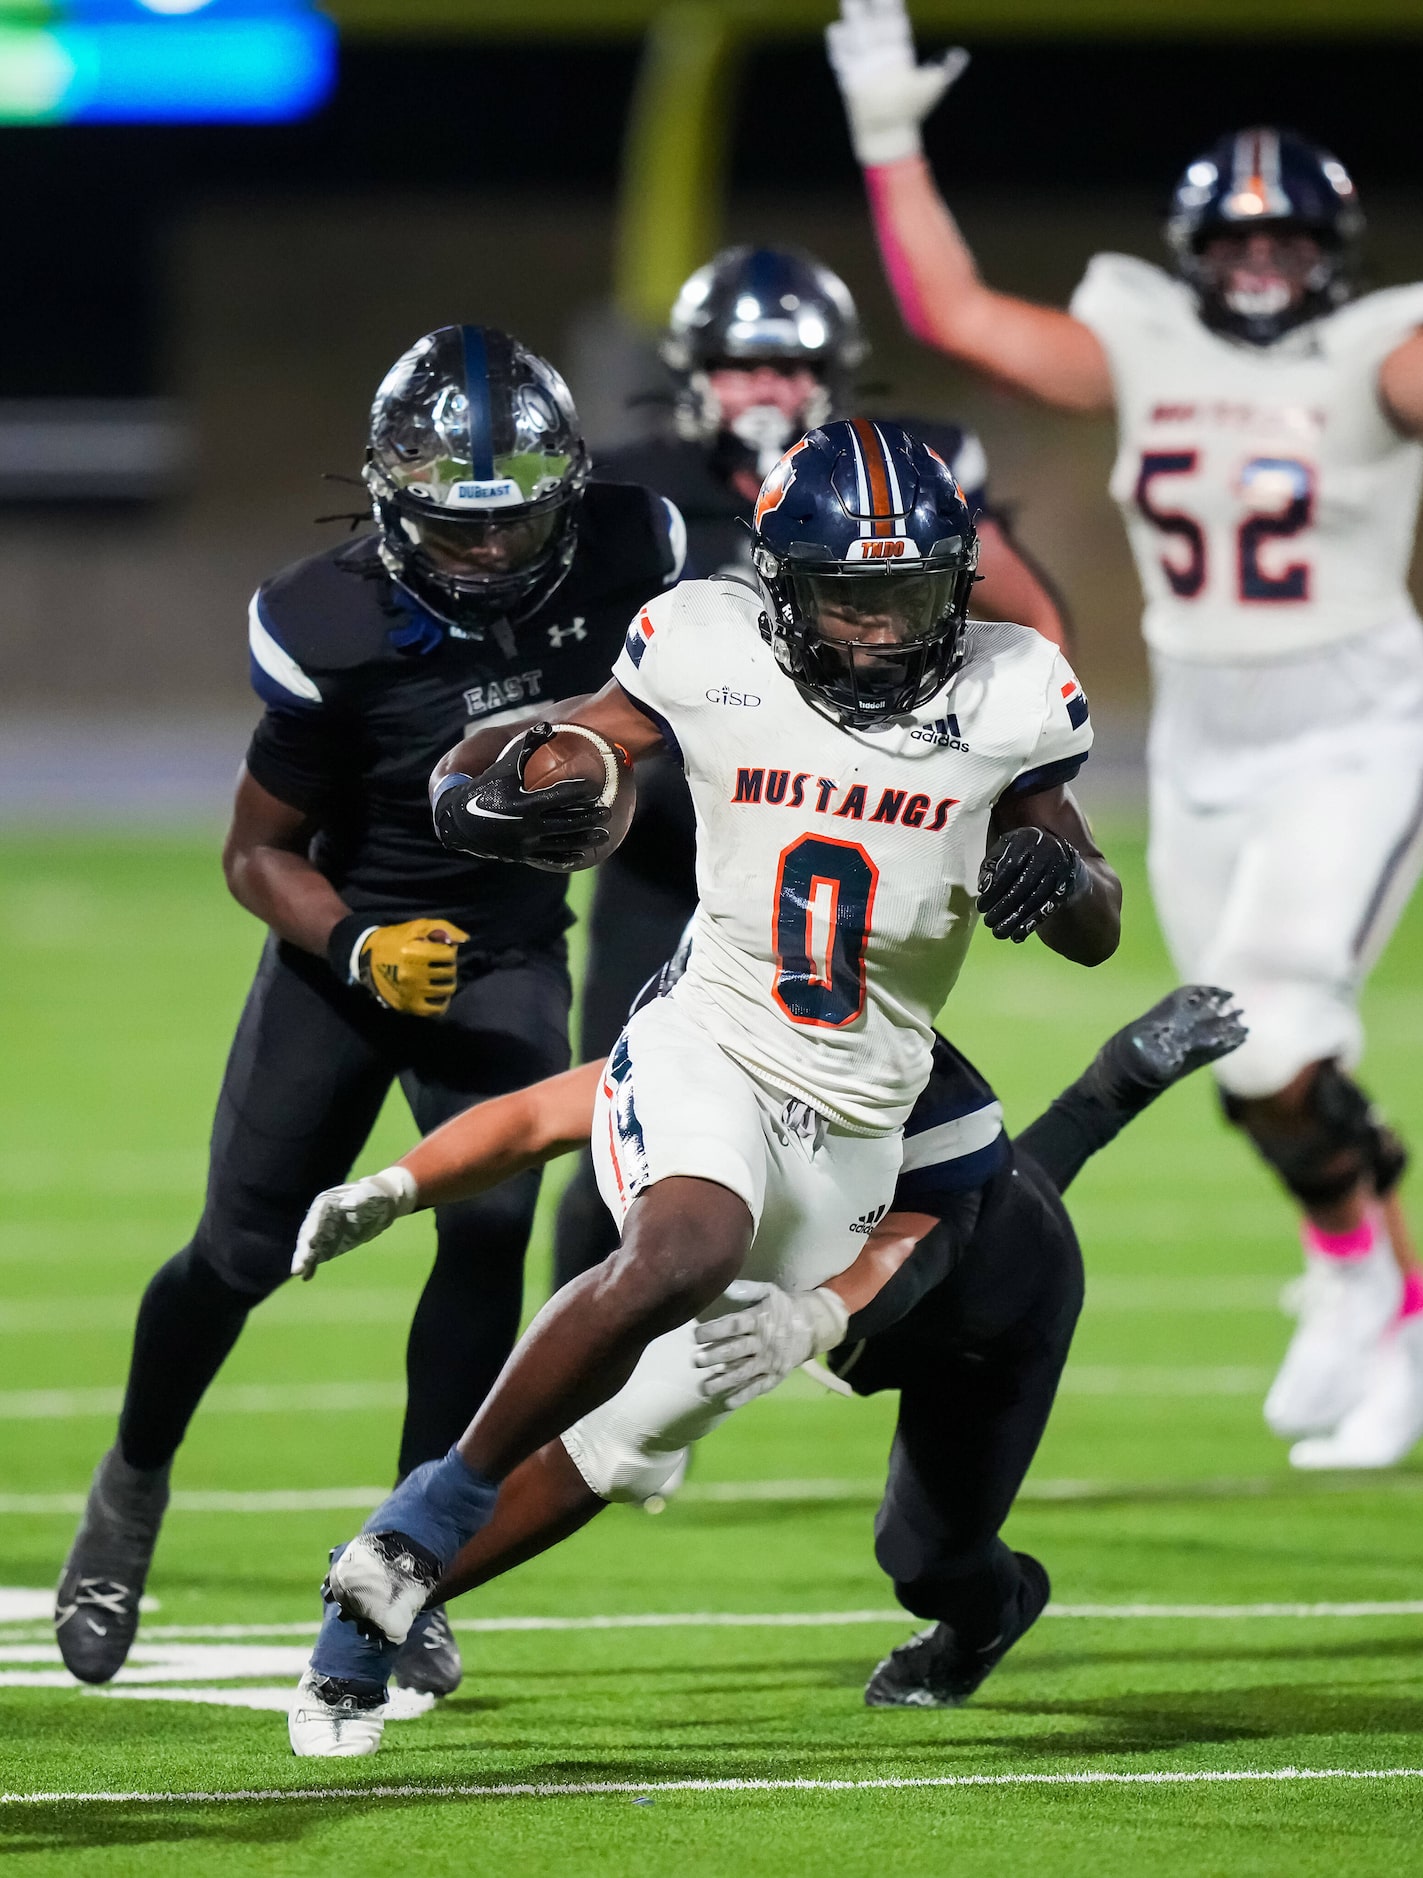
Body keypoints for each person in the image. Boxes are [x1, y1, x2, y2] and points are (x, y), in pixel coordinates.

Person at [825, 0, 1423, 1468]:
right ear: (1197, 254)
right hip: (1201, 739)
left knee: (1279, 1035)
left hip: (1351, 726)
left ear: (1330, 253)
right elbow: (956, 316)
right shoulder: (1145, 333)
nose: (1258, 265)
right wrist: (885, 133)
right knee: (1241, 1039)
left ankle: (1364, 1287)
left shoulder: (1376, 348)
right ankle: (1399, 1316)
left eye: (1283, 242)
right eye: (1236, 243)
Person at [284, 417, 1122, 1750]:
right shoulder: (706, 643)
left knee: (630, 1432)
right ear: (781, 588)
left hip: (856, 1109)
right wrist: (510, 777)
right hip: (710, 1029)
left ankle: (369, 1605)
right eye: (844, 599)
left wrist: (1064, 883)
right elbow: (571, 745)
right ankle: (427, 1508)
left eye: (904, 599)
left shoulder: (1011, 690)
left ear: (954, 589)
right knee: (682, 1242)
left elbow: (1095, 914)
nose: (873, 634)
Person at [53, 326, 685, 1694]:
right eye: (452, 528)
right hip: (345, 957)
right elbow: (252, 853)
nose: (485, 554)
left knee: (491, 1236)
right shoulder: (327, 618)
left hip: (508, 954)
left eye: (512, 520)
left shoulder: (637, 553)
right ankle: (128, 1493)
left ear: (564, 497)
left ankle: (409, 1556)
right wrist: (353, 945)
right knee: (235, 1253)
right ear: (390, 502)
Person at [284, 972, 1244, 1750]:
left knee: (926, 1559)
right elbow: (540, 1118)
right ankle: (383, 1592)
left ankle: (995, 1613)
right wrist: (399, 1185)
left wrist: (819, 1313)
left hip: (979, 1314)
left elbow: (935, 1236)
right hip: (804, 1275)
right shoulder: (706, 1032)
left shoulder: (915, 1092)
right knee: (612, 1432)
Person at [556, 243, 1071, 1294]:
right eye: (743, 365)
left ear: (831, 374)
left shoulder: (904, 475)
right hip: (674, 850)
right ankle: (590, 1377)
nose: (766, 388)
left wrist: (987, 760)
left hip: (855, 842)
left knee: (853, 1137)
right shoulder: (633, 484)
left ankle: (809, 1325)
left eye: (788, 367)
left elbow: (1031, 621)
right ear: (695, 373)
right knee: (612, 1135)